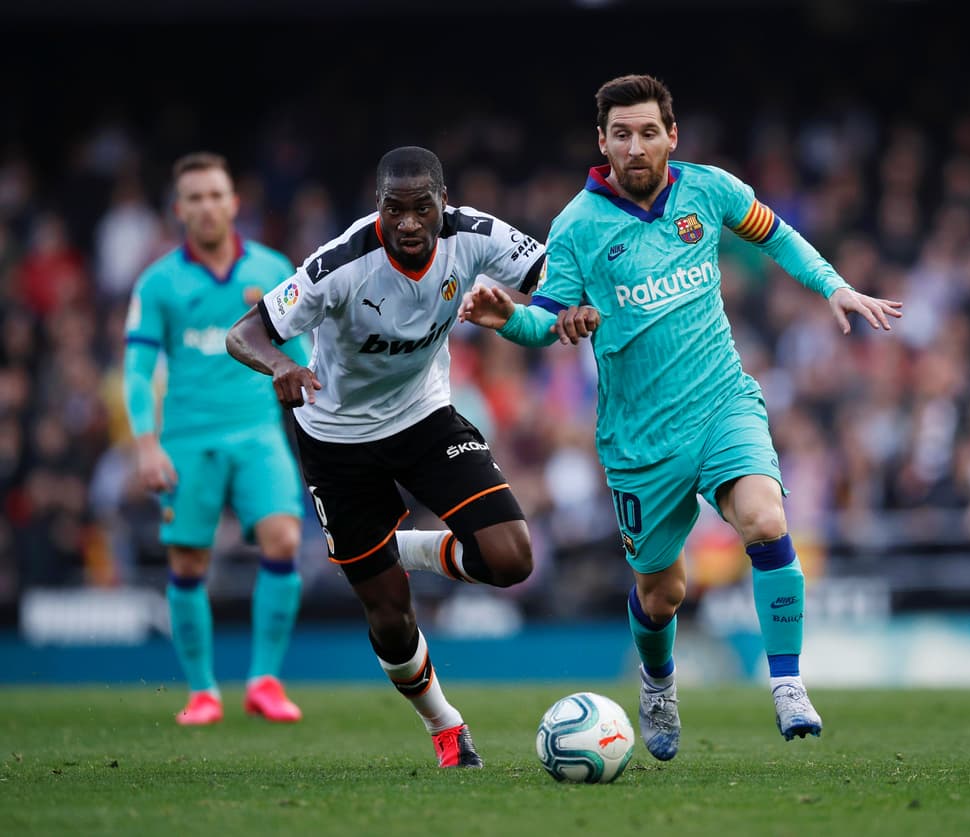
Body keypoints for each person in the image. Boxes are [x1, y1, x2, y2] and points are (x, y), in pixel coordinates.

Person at [455, 74, 902, 760]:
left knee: (767, 519)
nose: (636, 146)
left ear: (672, 135)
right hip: (639, 440)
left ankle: (787, 682)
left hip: (722, 400)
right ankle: (658, 682)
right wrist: (506, 319)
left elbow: (777, 234)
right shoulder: (577, 226)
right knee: (662, 592)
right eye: (622, 134)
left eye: (648, 132)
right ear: (602, 141)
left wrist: (833, 286)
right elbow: (547, 324)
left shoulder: (708, 190)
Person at [225, 146, 545, 768]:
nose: (407, 221)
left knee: (512, 559)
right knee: (390, 615)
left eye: (420, 207)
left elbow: (551, 276)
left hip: (424, 417)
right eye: (393, 208)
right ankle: (445, 725)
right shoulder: (340, 265)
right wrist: (282, 363)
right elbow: (245, 332)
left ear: (441, 203)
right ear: (378, 207)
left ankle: (401, 547)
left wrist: (550, 311)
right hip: (337, 440)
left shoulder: (476, 236)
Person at [123, 152, 311, 726]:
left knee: (283, 539)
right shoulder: (158, 283)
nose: (206, 207)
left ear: (234, 203)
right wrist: (145, 442)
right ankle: (203, 690)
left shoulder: (273, 266)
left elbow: (299, 354)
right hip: (186, 436)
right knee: (188, 561)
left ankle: (264, 681)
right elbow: (136, 370)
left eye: (215, 195)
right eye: (194, 198)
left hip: (258, 432)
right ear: (179, 210)